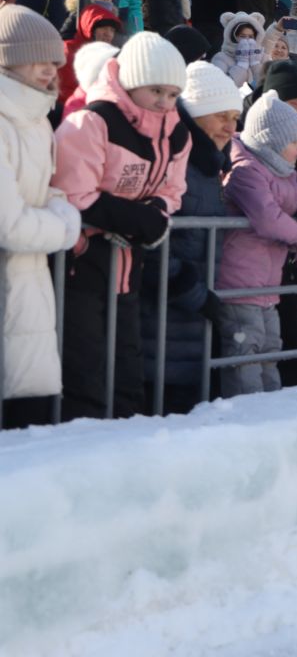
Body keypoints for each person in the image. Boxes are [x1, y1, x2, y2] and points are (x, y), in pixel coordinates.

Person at [52, 31, 192, 418]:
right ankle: (84, 441)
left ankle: (131, 438)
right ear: (130, 82)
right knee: (85, 360)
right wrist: (141, 219)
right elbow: (74, 193)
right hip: (82, 259)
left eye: (172, 93)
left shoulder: (176, 132)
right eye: (156, 90)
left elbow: (173, 189)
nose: (164, 102)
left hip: (128, 260)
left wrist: (153, 217)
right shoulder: (91, 122)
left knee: (127, 357)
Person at [0, 7, 83, 425]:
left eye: (55, 61)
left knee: (27, 428)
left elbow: (48, 193)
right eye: (40, 59)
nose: (51, 70)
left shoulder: (36, 122)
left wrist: (54, 209)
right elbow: (10, 224)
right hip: (13, 286)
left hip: (28, 290)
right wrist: (66, 224)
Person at [215, 91, 297, 396]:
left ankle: (270, 416)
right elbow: (266, 217)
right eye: (294, 141)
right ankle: (245, 420)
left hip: (267, 288)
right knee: (245, 354)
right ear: (273, 141)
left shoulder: (287, 174)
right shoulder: (245, 171)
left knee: (270, 351)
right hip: (239, 286)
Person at [143, 61, 241, 412]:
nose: (231, 128)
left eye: (235, 117)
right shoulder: (174, 161)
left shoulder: (208, 165)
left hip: (189, 328)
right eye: (221, 116)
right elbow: (151, 242)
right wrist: (195, 294)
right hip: (161, 327)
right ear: (195, 114)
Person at [209, 11, 269, 90]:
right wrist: (241, 65)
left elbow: (268, 86)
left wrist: (255, 64)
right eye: (243, 36)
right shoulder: (220, 58)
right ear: (233, 37)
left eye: (250, 36)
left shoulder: (263, 56)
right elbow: (221, 87)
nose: (247, 40)